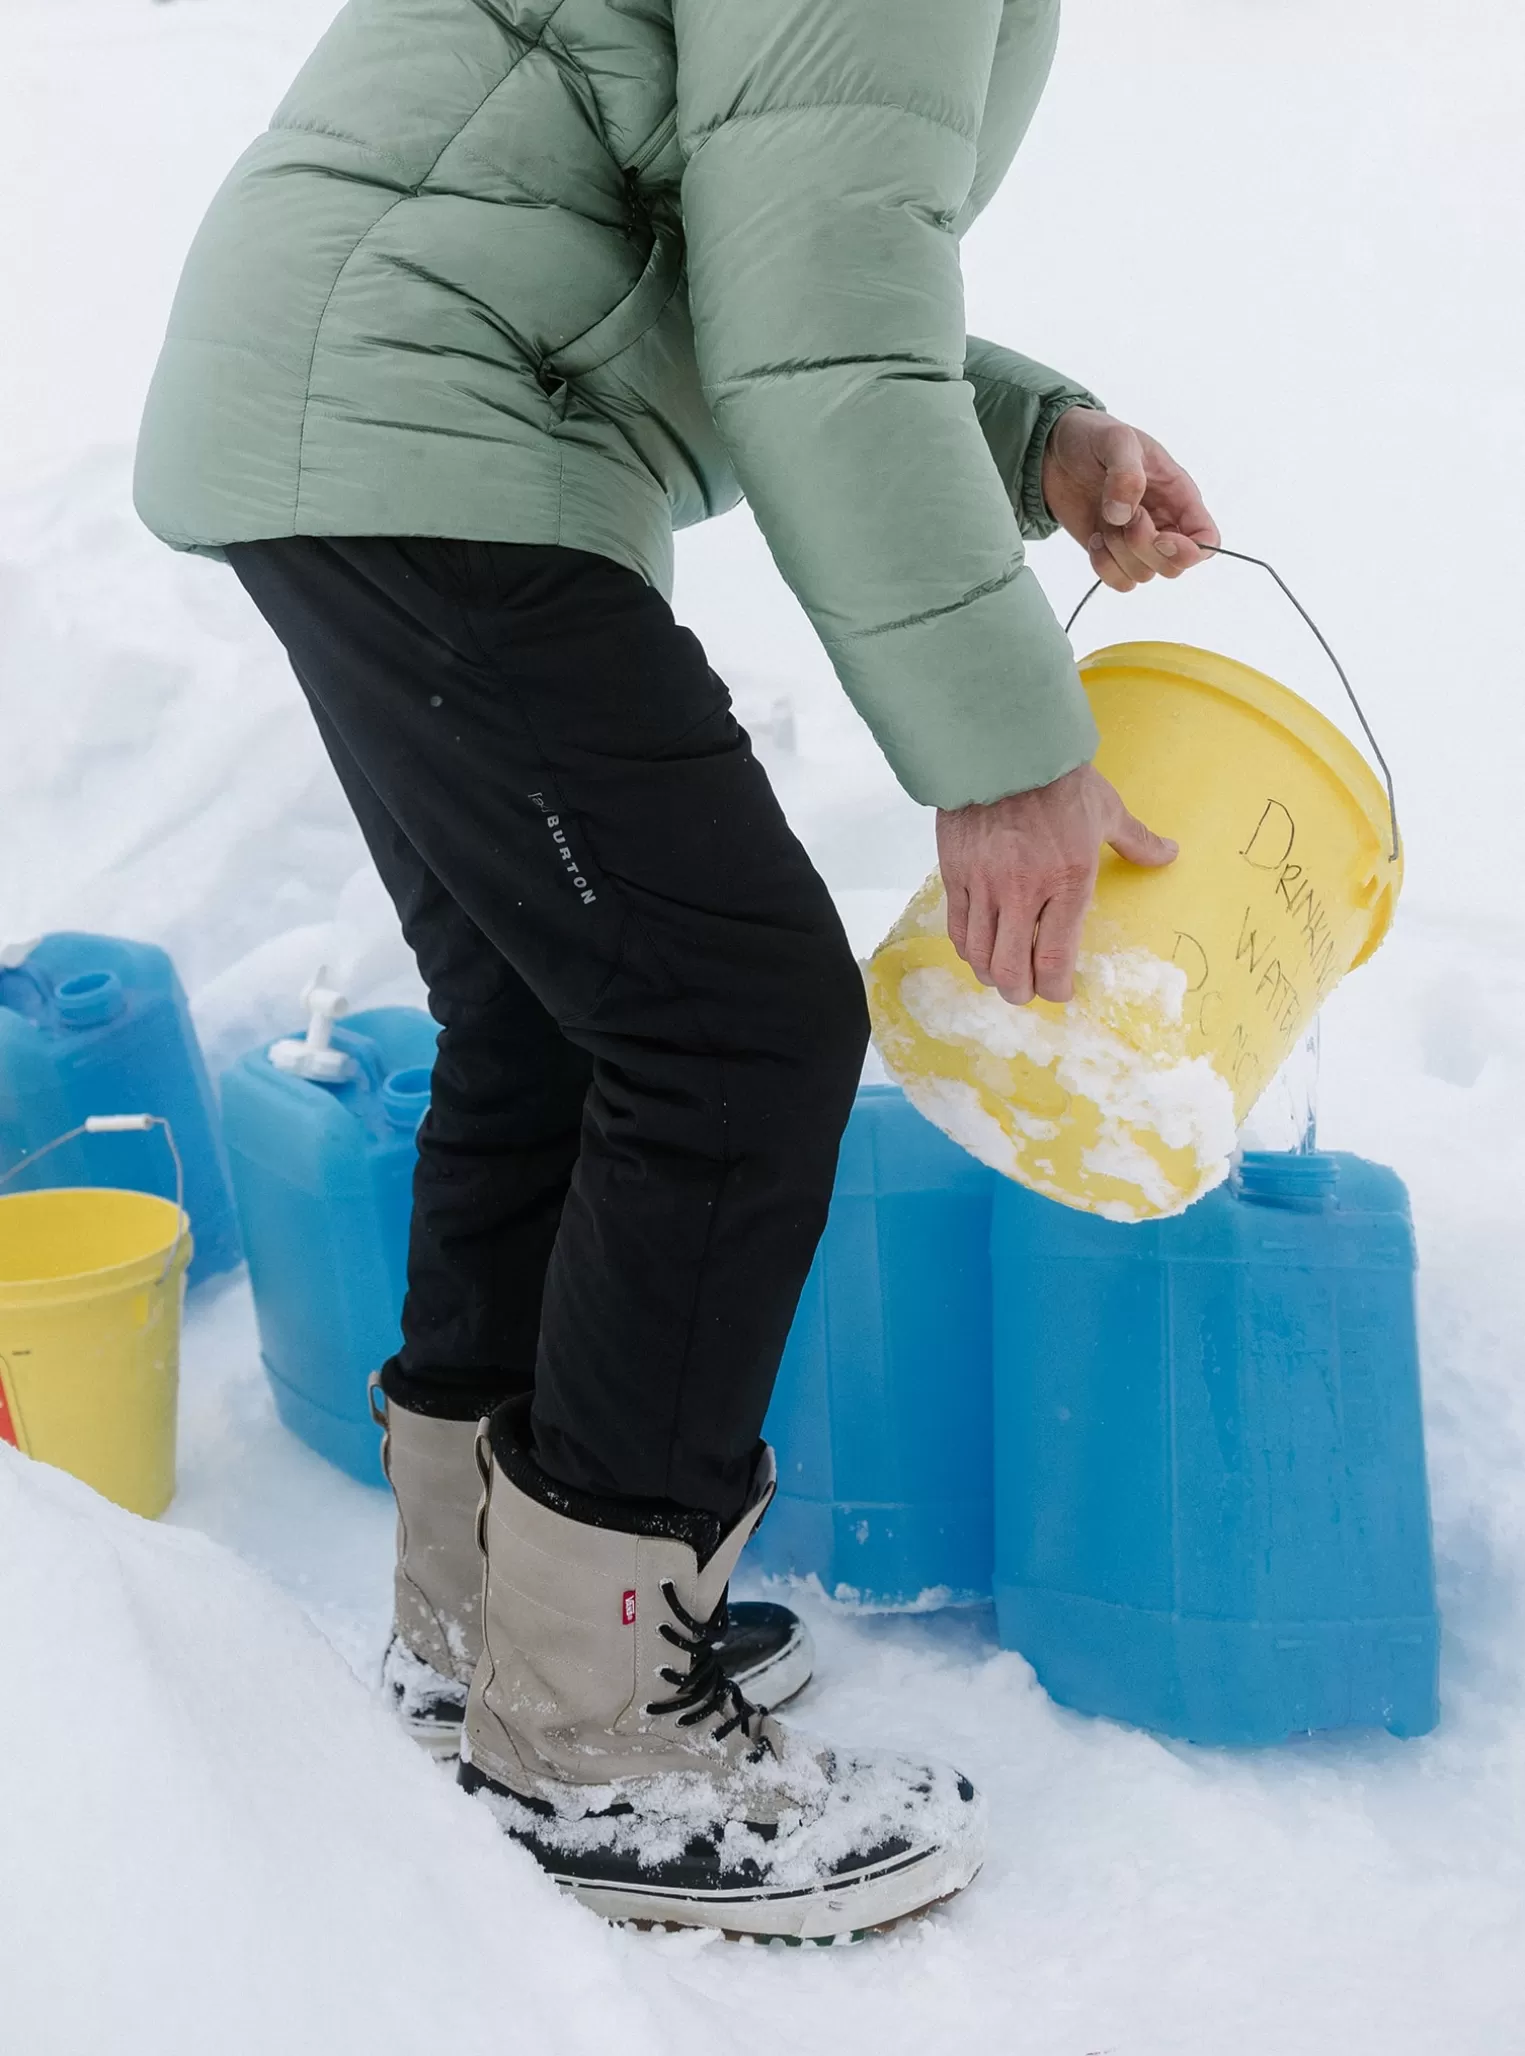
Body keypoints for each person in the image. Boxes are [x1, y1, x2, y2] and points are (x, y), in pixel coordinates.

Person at [135, 0, 1218, 1941]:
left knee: (560, 1018)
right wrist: (1007, 749)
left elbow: (752, 238)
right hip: (434, 411)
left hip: (367, 390)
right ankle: (597, 1729)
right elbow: (814, 311)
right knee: (734, 1024)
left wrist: (1025, 429)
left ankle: (498, 1633)